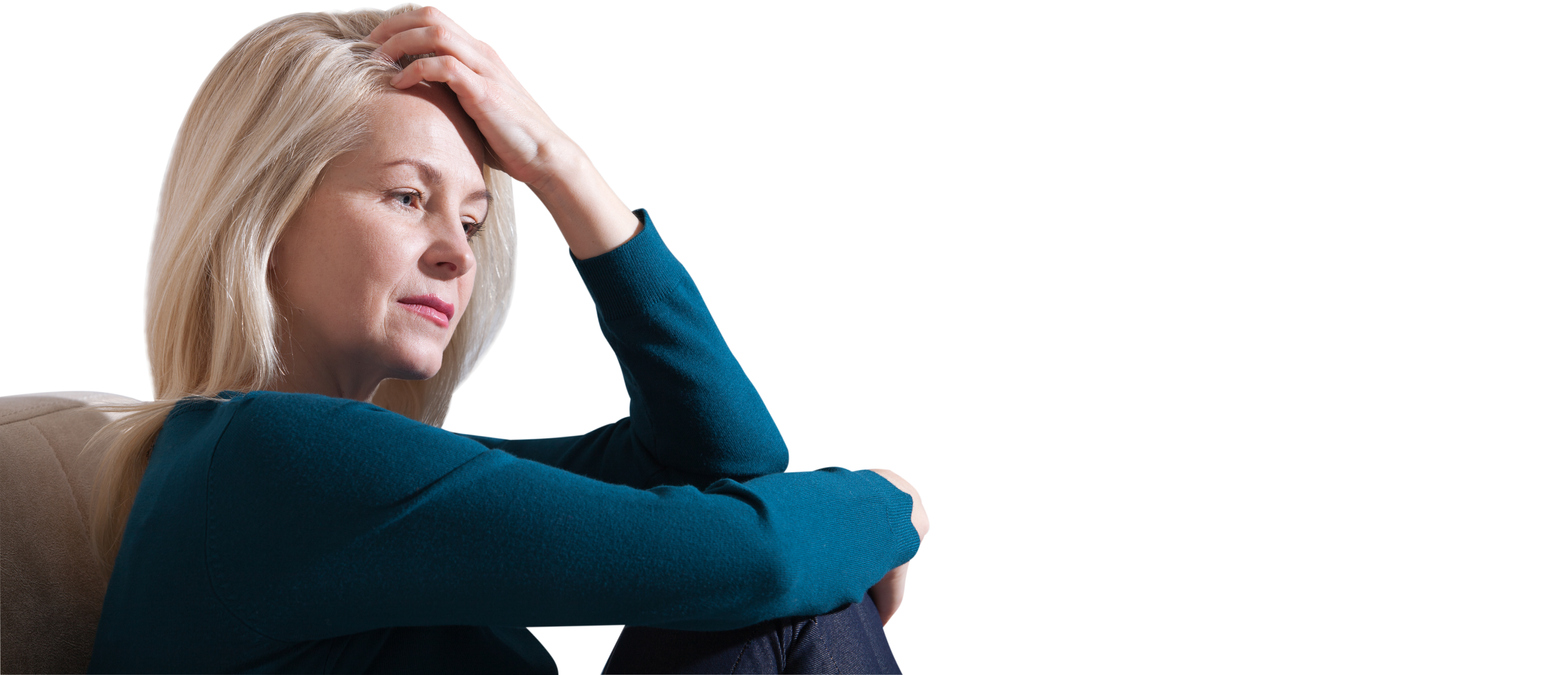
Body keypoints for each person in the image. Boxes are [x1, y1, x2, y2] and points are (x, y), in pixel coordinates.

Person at [85, 5, 927, 673]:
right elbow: (758, 558)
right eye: (408, 197)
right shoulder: (277, 463)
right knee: (800, 582)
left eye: (475, 219)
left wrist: (559, 162)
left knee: (799, 567)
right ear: (264, 215)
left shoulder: (298, 471)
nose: (458, 251)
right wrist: (893, 500)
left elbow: (727, 457)